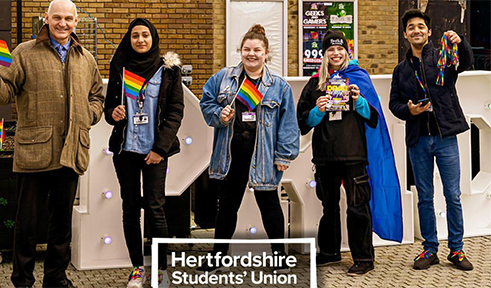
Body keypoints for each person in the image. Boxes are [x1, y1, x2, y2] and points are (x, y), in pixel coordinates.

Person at [0, 0, 104, 287]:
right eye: (57, 17)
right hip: (34, 152)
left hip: (72, 149)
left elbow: (96, 96)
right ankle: (22, 279)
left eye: (69, 19)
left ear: (76, 21)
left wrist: (90, 114)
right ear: (46, 19)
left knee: (61, 223)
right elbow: (6, 93)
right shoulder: (24, 52)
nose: (63, 23)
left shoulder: (86, 58)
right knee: (27, 223)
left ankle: (56, 277)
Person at [198, 24, 299, 273]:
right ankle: (218, 257)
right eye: (246, 49)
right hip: (231, 155)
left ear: (265, 53)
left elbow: (288, 124)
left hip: (263, 155)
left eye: (256, 50)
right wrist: (218, 115)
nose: (251, 54)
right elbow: (206, 102)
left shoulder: (279, 86)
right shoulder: (223, 78)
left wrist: (284, 155)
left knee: (270, 205)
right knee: (227, 207)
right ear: (240, 51)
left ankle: (280, 258)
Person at [389, 9, 473, 271]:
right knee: (425, 196)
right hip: (418, 139)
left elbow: (466, 62)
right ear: (405, 35)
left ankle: (456, 250)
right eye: (411, 27)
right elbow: (394, 104)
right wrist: (409, 110)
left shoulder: (442, 56)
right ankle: (430, 249)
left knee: (453, 195)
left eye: (421, 27)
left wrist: (461, 42)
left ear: (428, 31)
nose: (416, 30)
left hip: (445, 135)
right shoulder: (401, 70)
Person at [104, 18, 184, 288]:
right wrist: (113, 114)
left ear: (153, 39)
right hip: (125, 150)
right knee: (129, 209)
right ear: (129, 39)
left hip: (155, 152)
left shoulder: (169, 71)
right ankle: (137, 269)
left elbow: (175, 112)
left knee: (155, 208)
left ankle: (160, 270)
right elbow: (109, 110)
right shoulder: (121, 68)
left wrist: (160, 149)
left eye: (145, 35)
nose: (140, 40)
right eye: (135, 35)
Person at [297, 30, 382, 276]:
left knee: (357, 207)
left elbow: (374, 119)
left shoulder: (359, 80)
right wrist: (318, 110)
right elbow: (303, 123)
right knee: (329, 206)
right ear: (323, 55)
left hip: (354, 154)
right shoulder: (315, 84)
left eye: (340, 50)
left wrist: (359, 101)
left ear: (347, 52)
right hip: (324, 156)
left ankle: (364, 258)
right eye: (330, 50)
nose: (335, 53)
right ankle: (330, 252)